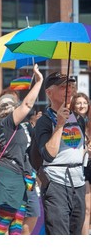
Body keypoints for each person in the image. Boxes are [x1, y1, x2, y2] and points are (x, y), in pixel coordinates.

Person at [0, 64, 43, 235]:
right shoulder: (7, 123)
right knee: (5, 219)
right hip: (8, 176)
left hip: (17, 176)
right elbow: (27, 104)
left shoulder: (7, 124)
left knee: (17, 220)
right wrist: (39, 80)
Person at [35, 71, 86, 235]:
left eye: (71, 86)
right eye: (63, 87)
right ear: (49, 93)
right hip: (56, 184)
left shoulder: (79, 118)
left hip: (78, 183)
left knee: (75, 234)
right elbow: (48, 155)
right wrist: (59, 125)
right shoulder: (44, 120)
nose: (69, 90)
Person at [69, 92, 91, 235]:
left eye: (84, 103)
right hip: (81, 167)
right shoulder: (71, 122)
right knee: (86, 208)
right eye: (78, 103)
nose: (82, 105)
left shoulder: (89, 122)